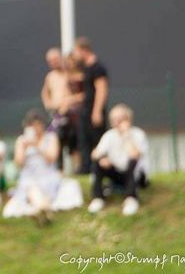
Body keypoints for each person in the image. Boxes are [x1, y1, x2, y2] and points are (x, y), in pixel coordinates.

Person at [2, 110, 73, 224]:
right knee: (31, 187)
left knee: (47, 188)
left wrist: (36, 146)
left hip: (47, 173)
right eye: (31, 125)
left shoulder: (51, 137)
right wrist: (24, 149)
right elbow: (18, 164)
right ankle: (44, 210)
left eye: (37, 124)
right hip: (29, 175)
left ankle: (39, 210)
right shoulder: (21, 140)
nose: (35, 128)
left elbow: (52, 158)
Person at [88, 104, 150, 216]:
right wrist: (102, 158)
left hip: (137, 176)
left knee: (132, 161)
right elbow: (95, 154)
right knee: (97, 164)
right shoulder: (109, 135)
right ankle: (97, 198)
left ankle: (131, 199)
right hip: (117, 174)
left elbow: (135, 155)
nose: (116, 123)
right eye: (113, 120)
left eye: (120, 119)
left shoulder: (138, 134)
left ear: (128, 119)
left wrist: (126, 135)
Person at [41, 47, 83, 172]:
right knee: (56, 138)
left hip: (72, 114)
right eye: (50, 61)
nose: (54, 63)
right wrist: (49, 105)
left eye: (56, 59)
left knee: (73, 141)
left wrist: (69, 101)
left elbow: (81, 93)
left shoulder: (71, 74)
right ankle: (58, 169)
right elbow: (45, 93)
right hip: (57, 114)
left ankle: (79, 168)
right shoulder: (50, 77)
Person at [72, 37, 109, 174]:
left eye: (76, 51)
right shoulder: (86, 68)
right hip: (85, 110)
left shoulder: (97, 68)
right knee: (84, 140)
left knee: (97, 140)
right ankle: (85, 168)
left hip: (94, 110)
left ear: (84, 50)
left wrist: (97, 111)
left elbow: (101, 89)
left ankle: (99, 168)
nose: (75, 55)